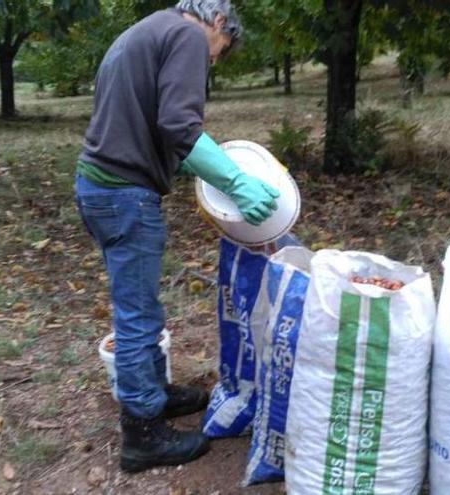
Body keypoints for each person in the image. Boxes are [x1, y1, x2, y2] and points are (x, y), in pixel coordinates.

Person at [74, 0, 280, 473]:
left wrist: (197, 163)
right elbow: (180, 125)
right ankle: (142, 435)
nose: (211, 61)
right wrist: (237, 183)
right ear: (220, 23)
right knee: (137, 313)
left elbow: (150, 125)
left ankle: (153, 393)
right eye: (219, 52)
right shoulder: (187, 36)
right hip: (124, 194)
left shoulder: (144, 31)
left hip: (101, 188)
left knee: (141, 304)